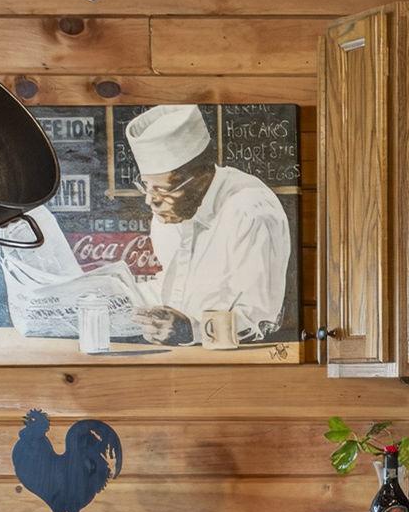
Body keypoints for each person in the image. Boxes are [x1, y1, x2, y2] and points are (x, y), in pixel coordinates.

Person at [123, 105, 291, 346]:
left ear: (201, 177)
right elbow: (180, 287)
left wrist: (192, 330)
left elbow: (260, 321)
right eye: (146, 186)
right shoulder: (170, 211)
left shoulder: (250, 210)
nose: (150, 200)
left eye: (162, 189)